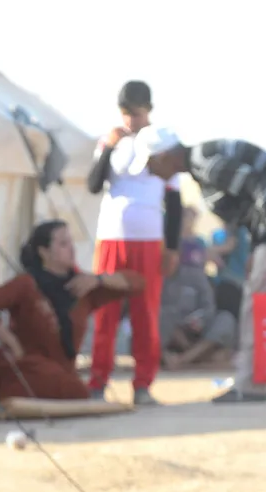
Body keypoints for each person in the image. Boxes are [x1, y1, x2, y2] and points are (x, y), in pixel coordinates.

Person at [135, 128, 266, 402]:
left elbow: (258, 185)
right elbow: (251, 204)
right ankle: (251, 383)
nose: (150, 172)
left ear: (163, 157)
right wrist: (259, 245)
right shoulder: (201, 163)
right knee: (255, 304)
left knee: (256, 306)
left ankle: (250, 386)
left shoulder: (205, 162)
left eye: (150, 164)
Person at [84, 80, 183, 406]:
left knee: (145, 315)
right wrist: (110, 148)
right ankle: (97, 381)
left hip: (148, 241)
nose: (131, 122)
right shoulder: (109, 141)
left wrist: (172, 247)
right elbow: (94, 185)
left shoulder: (164, 143)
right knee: (105, 314)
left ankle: (143, 385)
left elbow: (175, 202)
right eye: (126, 115)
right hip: (111, 238)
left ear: (149, 111)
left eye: (137, 115)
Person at [0, 220, 143, 403]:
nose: (72, 249)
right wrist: (11, 342)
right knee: (74, 391)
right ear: (44, 252)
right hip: (23, 366)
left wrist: (98, 279)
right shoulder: (27, 284)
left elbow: (137, 283)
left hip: (60, 372)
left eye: (71, 242)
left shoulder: (82, 286)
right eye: (63, 244)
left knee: (75, 390)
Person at [160, 207, 238, 370]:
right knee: (158, 318)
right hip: (174, 330)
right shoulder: (165, 277)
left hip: (198, 328)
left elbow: (208, 306)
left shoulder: (199, 278)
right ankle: (198, 359)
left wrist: (200, 319)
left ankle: (184, 359)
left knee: (226, 320)